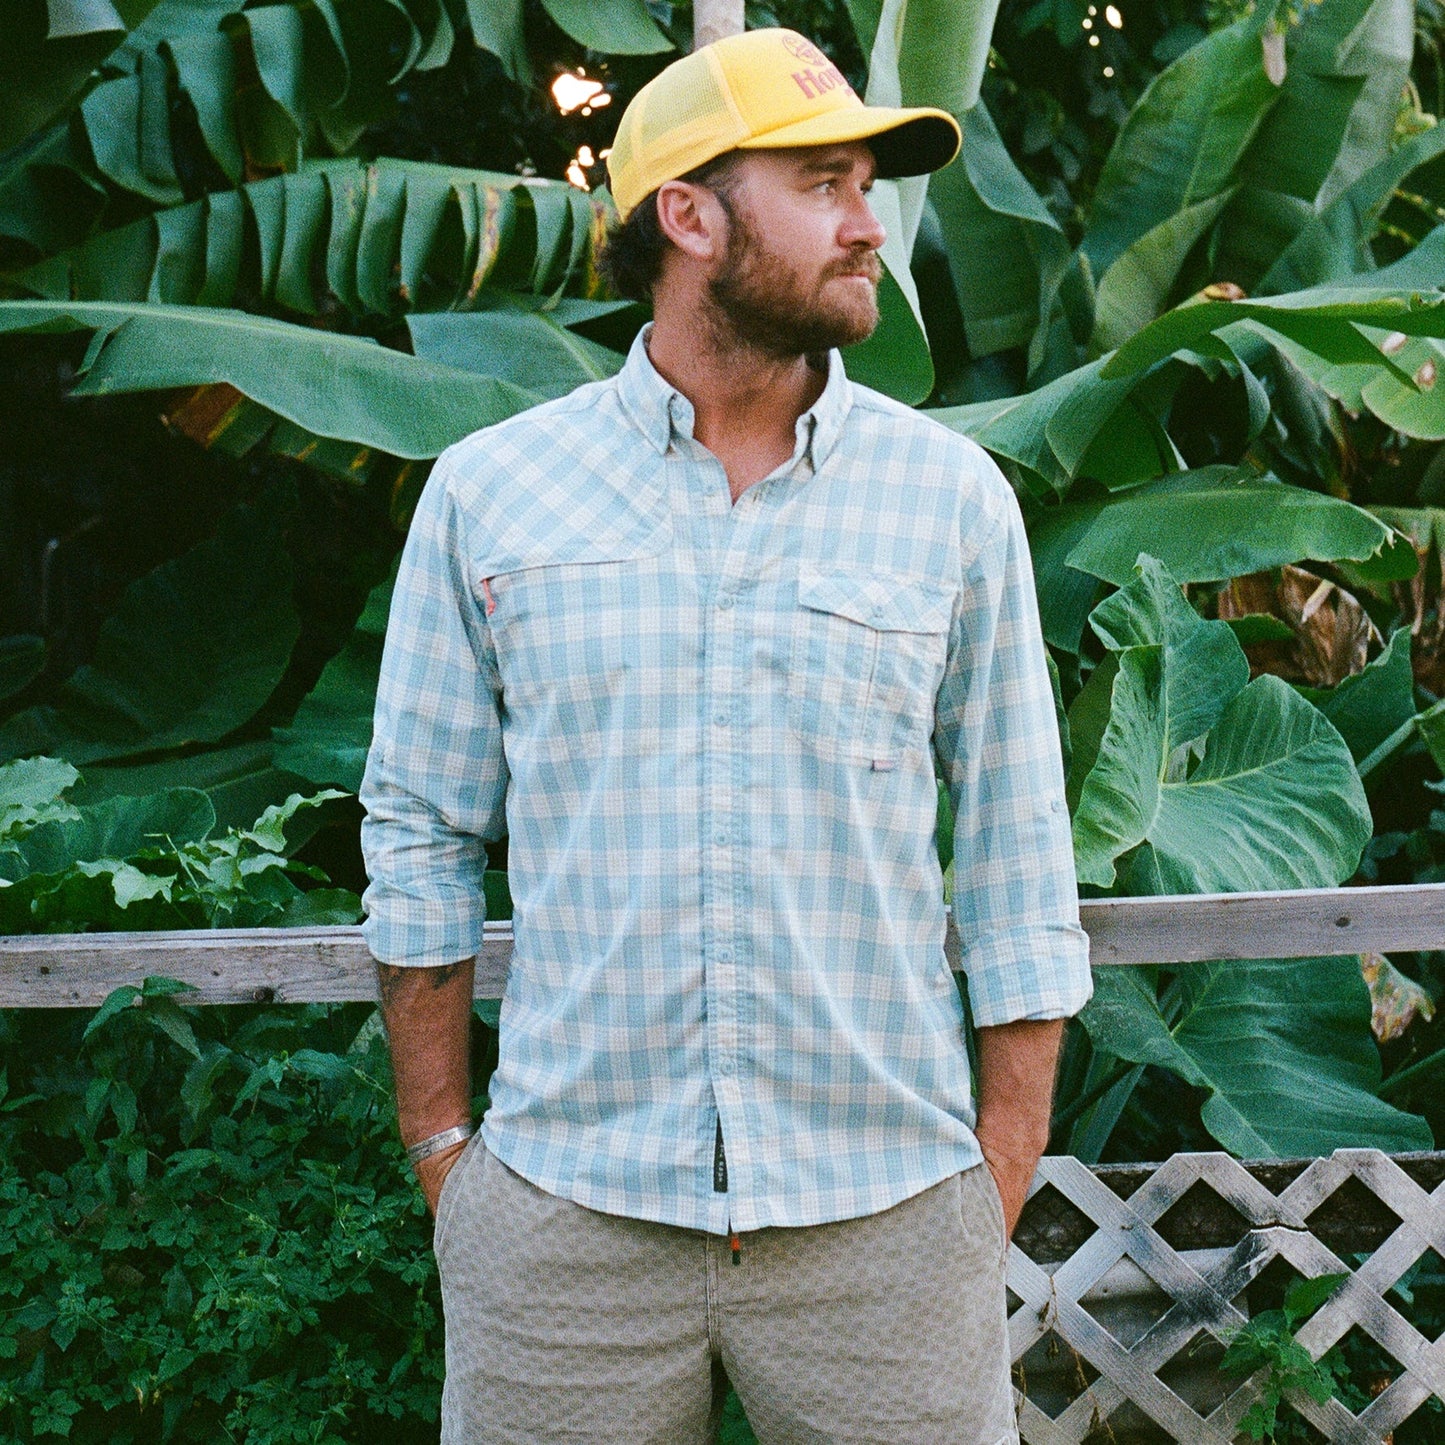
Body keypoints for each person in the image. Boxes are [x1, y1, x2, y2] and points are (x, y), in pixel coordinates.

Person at [359, 26, 1092, 1445]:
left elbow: (1016, 859)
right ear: (688, 215)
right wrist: (447, 1153)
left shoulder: (948, 501)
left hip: (884, 1220)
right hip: (566, 1218)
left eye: (864, 183)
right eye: (822, 181)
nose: (868, 223)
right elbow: (421, 829)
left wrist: (991, 1173)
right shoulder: (493, 495)